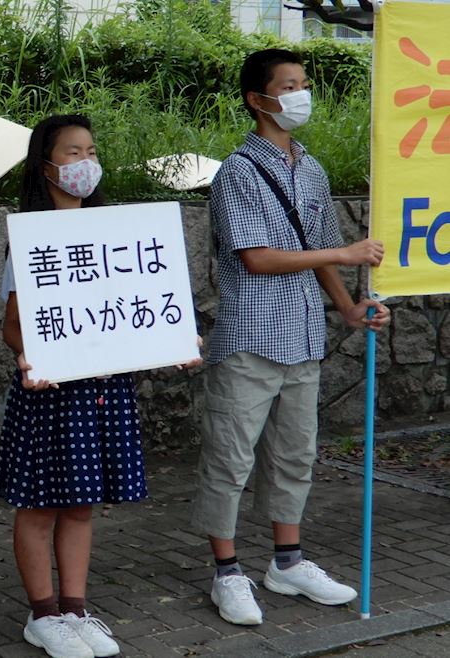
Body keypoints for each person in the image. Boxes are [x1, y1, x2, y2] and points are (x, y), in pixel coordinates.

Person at [193, 48, 390, 626]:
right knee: (229, 459)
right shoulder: (237, 172)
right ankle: (227, 572)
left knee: (295, 456)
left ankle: (288, 562)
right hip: (251, 339)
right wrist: (344, 254)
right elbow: (257, 258)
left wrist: (348, 308)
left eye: (304, 83)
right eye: (288, 86)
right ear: (257, 100)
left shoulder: (311, 168)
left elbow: (320, 247)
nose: (300, 95)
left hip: (303, 336)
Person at [0, 114, 201, 658]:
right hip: (50, 392)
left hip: (100, 391)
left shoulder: (118, 233)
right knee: (39, 506)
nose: (85, 162)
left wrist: (175, 339)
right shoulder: (31, 238)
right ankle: (43, 615)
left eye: (91, 151)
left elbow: (140, 309)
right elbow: (12, 324)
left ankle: (75, 608)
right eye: (73, 152)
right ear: (46, 166)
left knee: (82, 504)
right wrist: (27, 356)